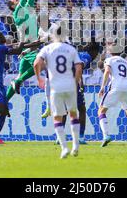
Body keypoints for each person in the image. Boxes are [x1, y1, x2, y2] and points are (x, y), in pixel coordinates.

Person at [34, 24, 84, 159]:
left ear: (52, 34)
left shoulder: (47, 49)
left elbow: (36, 63)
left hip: (55, 87)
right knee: (73, 114)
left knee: (57, 117)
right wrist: (75, 81)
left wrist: (39, 79)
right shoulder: (71, 49)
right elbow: (79, 67)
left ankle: (64, 148)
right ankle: (76, 146)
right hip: (70, 85)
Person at [98, 45, 127, 147]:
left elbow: (107, 71)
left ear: (110, 52)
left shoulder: (109, 60)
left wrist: (102, 87)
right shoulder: (126, 63)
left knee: (101, 111)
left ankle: (106, 136)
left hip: (116, 87)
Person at [6, 0, 39, 101]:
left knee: (17, 79)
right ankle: (19, 80)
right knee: (41, 64)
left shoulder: (26, 7)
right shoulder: (17, 11)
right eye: (15, 0)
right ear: (13, 5)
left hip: (29, 45)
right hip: (28, 45)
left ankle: (4, 101)